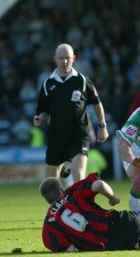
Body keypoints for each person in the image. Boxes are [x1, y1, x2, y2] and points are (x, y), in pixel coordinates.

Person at [33, 43, 109, 183]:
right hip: (56, 135)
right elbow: (42, 112)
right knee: (49, 184)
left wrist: (102, 126)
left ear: (74, 58)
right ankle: (61, 201)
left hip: (78, 133)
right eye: (61, 58)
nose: (65, 61)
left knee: (79, 176)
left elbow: (97, 104)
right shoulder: (47, 84)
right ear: (55, 59)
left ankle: (77, 202)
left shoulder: (82, 81)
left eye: (68, 58)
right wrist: (40, 118)